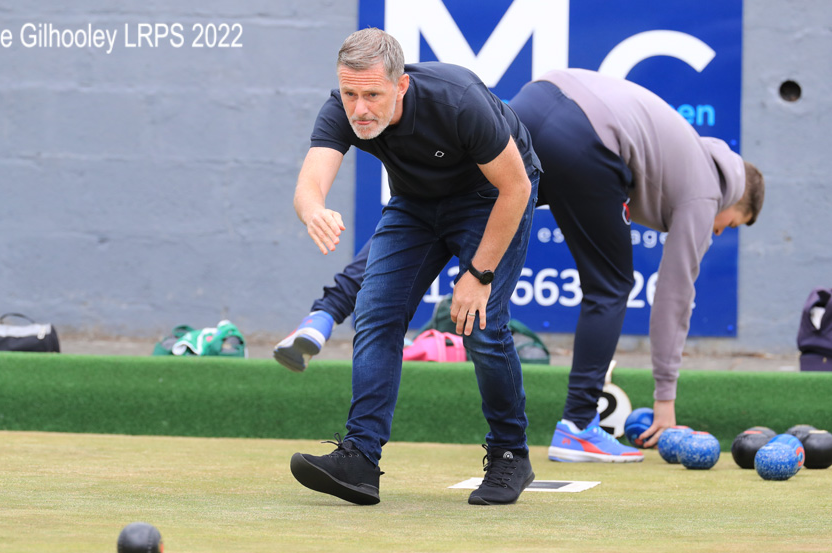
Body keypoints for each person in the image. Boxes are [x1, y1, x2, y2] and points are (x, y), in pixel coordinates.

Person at [277, 67, 765, 463]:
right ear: (737, 198)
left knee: (445, 210)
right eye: (731, 224)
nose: (718, 231)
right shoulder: (707, 188)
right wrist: (664, 403)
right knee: (612, 284)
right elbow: (676, 296)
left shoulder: (683, 152)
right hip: (588, 139)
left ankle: (326, 312)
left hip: (538, 101)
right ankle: (578, 426)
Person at [285, 28, 542, 506]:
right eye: (350, 94)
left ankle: (511, 454)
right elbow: (308, 184)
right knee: (376, 312)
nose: (359, 108)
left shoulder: (458, 101)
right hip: (415, 204)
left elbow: (518, 188)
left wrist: (479, 276)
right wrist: (314, 210)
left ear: (400, 86)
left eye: (372, 95)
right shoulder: (342, 108)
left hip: (491, 197)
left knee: (481, 325)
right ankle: (360, 459)